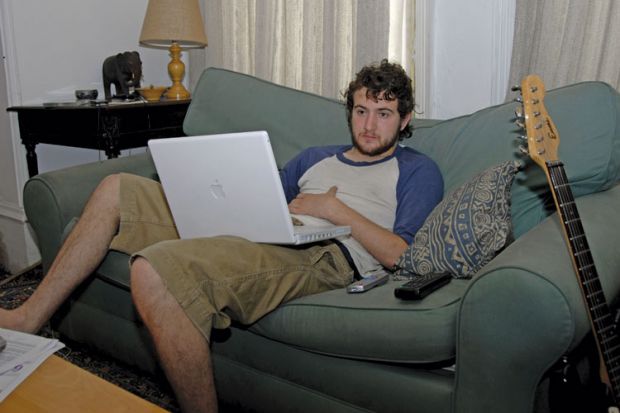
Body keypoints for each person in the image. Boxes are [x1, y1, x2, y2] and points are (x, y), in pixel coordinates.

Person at [0, 59, 443, 412]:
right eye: (361, 110)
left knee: (154, 273)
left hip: (324, 253)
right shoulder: (314, 157)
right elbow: (264, 197)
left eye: (384, 114)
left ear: (404, 120)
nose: (369, 124)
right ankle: (29, 316)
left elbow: (398, 255)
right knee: (117, 188)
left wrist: (332, 208)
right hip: (263, 227)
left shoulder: (416, 170)